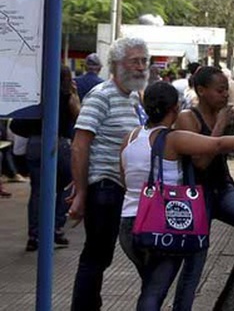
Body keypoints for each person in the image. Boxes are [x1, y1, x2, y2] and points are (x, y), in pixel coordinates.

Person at [118, 81, 234, 311]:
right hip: (160, 226)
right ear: (175, 109)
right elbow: (218, 144)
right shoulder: (173, 139)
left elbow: (124, 179)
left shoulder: (130, 138)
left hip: (128, 226)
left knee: (150, 286)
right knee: (154, 294)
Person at [168, 66, 234, 309]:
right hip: (197, 196)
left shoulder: (228, 113)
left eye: (225, 90)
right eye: (220, 91)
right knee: (195, 262)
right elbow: (201, 161)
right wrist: (220, 125)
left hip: (223, 190)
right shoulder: (187, 118)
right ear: (201, 91)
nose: (225, 95)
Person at [68, 37, 149, 311]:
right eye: (134, 61)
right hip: (104, 188)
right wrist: (81, 192)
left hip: (121, 191)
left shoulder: (133, 98)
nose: (140, 67)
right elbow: (80, 144)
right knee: (95, 256)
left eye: (144, 61)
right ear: (116, 65)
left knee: (101, 256)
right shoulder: (102, 95)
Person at [23, 65, 79, 251]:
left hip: (34, 144)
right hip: (59, 144)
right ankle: (56, 228)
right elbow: (78, 115)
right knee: (65, 187)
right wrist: (73, 93)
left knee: (37, 191)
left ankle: (34, 235)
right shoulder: (66, 96)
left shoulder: (37, 96)